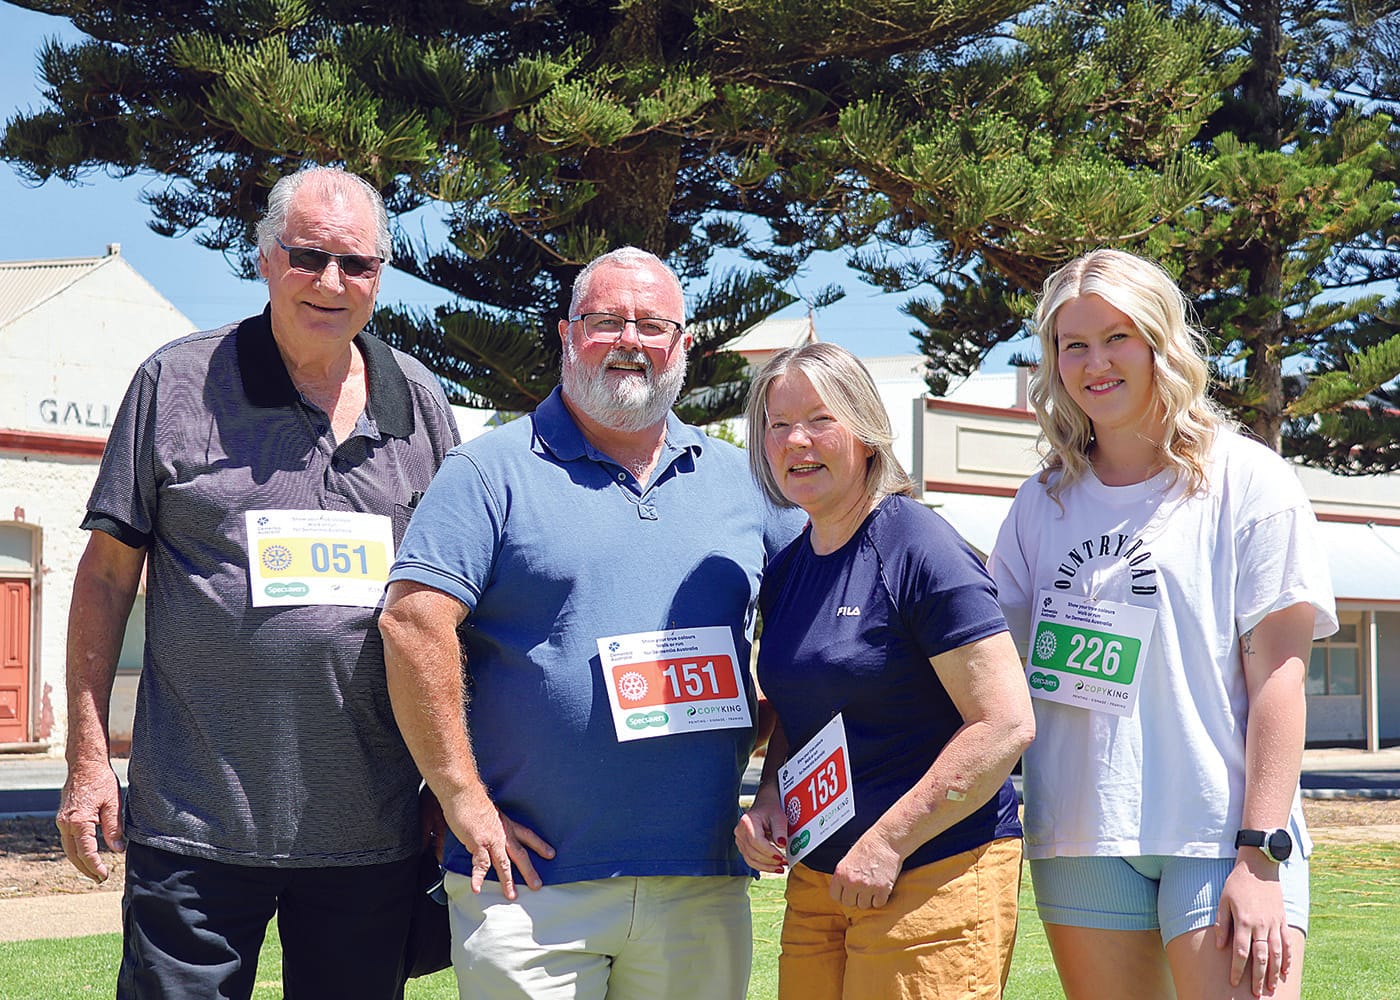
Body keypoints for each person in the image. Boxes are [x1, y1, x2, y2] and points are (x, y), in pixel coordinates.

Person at [57, 166, 460, 999]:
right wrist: (89, 762)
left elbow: (454, 613)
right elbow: (103, 582)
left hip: (372, 833)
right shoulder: (174, 385)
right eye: (309, 257)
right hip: (194, 830)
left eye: (357, 264)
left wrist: (450, 782)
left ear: (380, 277)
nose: (332, 282)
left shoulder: (420, 403)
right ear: (267, 260)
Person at [377, 246, 804, 1000]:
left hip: (699, 883)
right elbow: (413, 623)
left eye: (651, 324)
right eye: (606, 321)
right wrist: (461, 798)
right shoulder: (489, 472)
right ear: (569, 334)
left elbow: (816, 637)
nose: (629, 341)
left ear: (684, 346)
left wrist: (775, 769)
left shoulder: (747, 482)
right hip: (528, 889)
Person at [987, 249, 1337, 1000]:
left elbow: (1280, 676)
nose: (1094, 363)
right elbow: (989, 664)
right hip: (1081, 834)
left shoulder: (1248, 481)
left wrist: (1261, 853)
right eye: (1072, 344)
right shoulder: (1038, 504)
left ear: (1161, 342)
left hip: (1219, 837)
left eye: (1117, 337)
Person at [734, 342, 1036, 1000]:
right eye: (777, 424)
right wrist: (769, 801)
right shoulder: (789, 568)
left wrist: (888, 842)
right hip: (821, 876)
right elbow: (805, 711)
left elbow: (1005, 723)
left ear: (866, 431)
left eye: (820, 419)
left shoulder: (919, 547)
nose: (796, 440)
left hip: (931, 868)